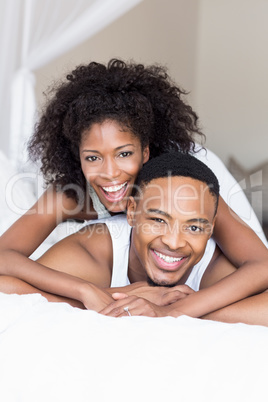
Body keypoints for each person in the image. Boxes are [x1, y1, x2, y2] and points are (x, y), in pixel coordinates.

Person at [0, 59, 266, 295]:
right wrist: (86, 289)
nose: (110, 173)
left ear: (145, 151)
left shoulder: (183, 189)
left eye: (124, 154)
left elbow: (260, 263)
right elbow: (4, 256)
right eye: (93, 157)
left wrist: (180, 307)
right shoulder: (70, 196)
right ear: (78, 157)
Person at [1, 152, 268, 326]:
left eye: (195, 228)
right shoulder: (94, 249)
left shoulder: (217, 262)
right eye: (158, 220)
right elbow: (7, 288)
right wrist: (107, 296)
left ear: (211, 228)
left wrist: (173, 311)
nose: (174, 242)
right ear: (131, 212)